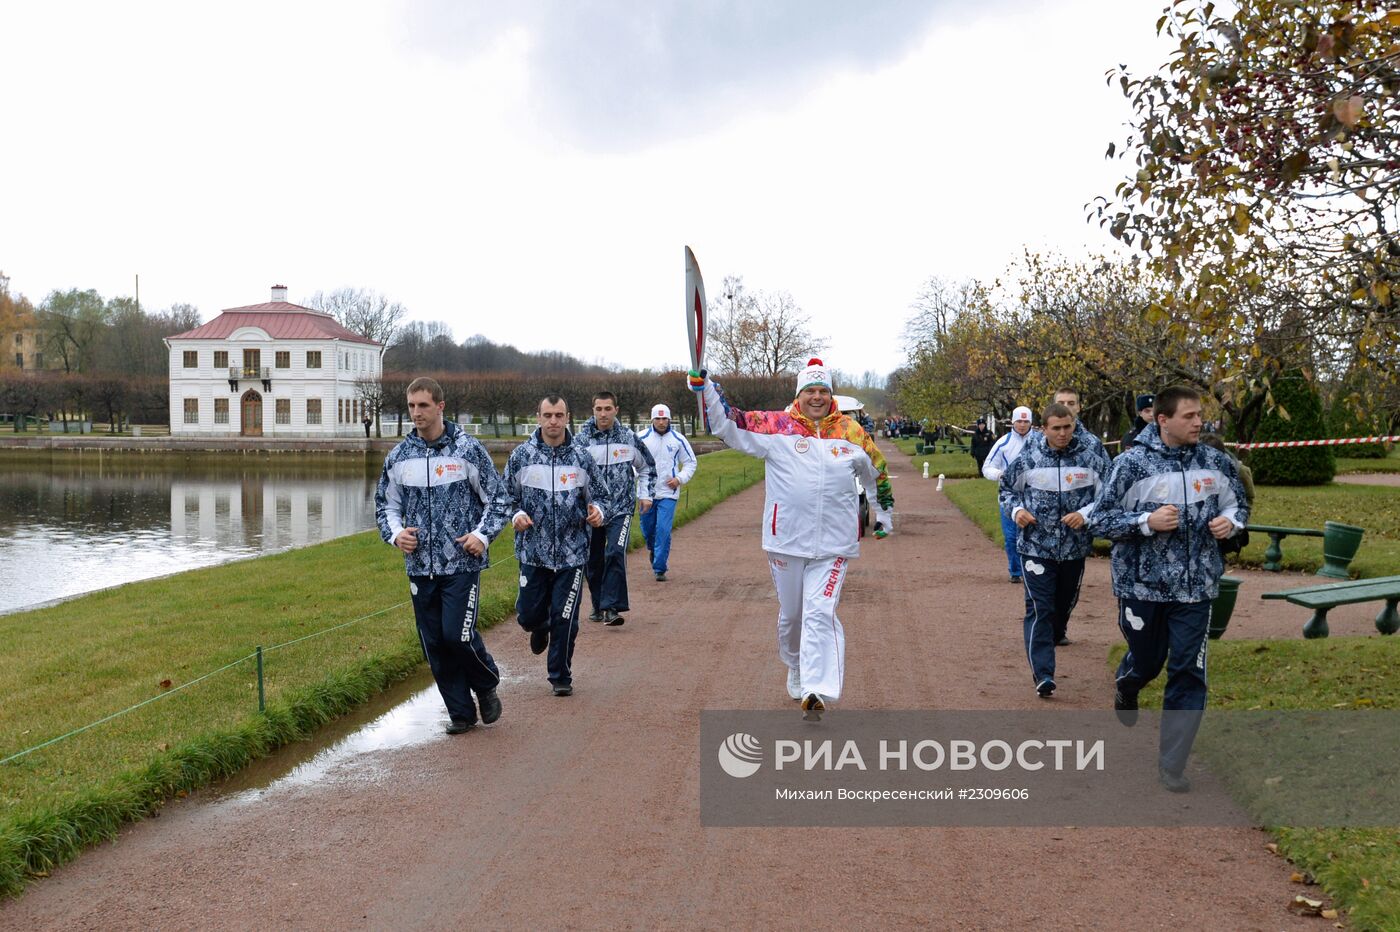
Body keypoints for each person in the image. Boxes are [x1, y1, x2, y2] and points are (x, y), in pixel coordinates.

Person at [689, 358, 893, 719]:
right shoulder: (776, 427)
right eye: (810, 391)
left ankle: (817, 688)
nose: (817, 397)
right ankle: (796, 664)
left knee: (821, 612)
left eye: (823, 391)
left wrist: (884, 515)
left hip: (835, 545)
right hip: (785, 540)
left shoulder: (851, 433)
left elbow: (877, 472)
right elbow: (729, 423)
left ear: (831, 395)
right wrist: (706, 389)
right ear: (799, 394)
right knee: (794, 615)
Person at [1088, 385, 1249, 793]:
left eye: (1200, 415)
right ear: (1163, 420)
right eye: (1189, 416)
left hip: (1197, 588)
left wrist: (1232, 522)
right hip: (1142, 586)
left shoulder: (1216, 461)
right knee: (1149, 661)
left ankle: (1172, 764)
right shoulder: (1130, 465)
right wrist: (1145, 523)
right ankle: (1129, 681)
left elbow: (1238, 503)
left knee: (1188, 670)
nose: (1199, 422)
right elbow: (1100, 520)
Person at [374, 377, 507, 734]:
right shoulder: (399, 456)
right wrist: (396, 535)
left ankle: (486, 682)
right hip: (419, 567)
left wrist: (482, 536)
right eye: (412, 406)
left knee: (457, 635)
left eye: (423, 406)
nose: (416, 413)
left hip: (462, 562)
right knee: (433, 643)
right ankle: (461, 714)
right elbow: (386, 506)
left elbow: (498, 500)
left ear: (440, 407)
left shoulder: (467, 450)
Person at [490, 395, 608, 696]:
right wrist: (516, 515)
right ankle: (538, 626)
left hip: (572, 552)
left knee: (565, 615)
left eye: (558, 415)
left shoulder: (582, 457)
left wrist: (598, 511)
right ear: (538, 416)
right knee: (528, 615)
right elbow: (505, 498)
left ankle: (560, 675)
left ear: (567, 417)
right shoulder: (522, 456)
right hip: (533, 551)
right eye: (547, 415)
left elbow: (602, 496)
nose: (553, 421)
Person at [998, 403, 1112, 697]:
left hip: (1074, 548)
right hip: (1036, 546)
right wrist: (1017, 510)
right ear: (1044, 429)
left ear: (1074, 425)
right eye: (1056, 428)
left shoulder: (1091, 455)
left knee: (1061, 608)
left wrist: (1085, 515)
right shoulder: (1030, 456)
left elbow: (1110, 494)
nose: (1062, 434)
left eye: (1067, 427)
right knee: (1039, 608)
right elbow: (1006, 490)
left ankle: (1058, 631)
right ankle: (1043, 674)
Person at [576, 391, 656, 625]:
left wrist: (645, 495)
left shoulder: (628, 437)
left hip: (621, 508)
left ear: (616, 410)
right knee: (594, 558)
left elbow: (647, 467)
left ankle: (612, 607)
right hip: (591, 512)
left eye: (607, 409)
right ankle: (598, 604)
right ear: (593, 410)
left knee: (615, 552)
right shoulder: (581, 441)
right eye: (599, 409)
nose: (603, 413)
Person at [637, 403, 697, 581]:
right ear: (652, 419)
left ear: (669, 419)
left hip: (669, 493)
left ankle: (660, 568)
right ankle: (653, 549)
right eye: (658, 418)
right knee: (648, 530)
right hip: (646, 493)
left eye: (664, 418)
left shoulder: (678, 439)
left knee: (663, 529)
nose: (661, 422)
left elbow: (691, 462)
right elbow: (632, 462)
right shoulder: (641, 438)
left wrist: (679, 478)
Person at [982, 406, 1035, 582]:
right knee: (1011, 537)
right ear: (1012, 422)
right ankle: (1015, 571)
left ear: (1031, 422)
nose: (1022, 425)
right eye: (1019, 421)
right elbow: (987, 467)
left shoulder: (1040, 441)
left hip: (1035, 497)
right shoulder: (1003, 443)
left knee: (1034, 536)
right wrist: (1000, 474)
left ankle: (1033, 571)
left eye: (1026, 421)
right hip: (1009, 497)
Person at [1052, 387, 1108, 458]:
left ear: (1078, 407)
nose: (1065, 407)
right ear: (1053, 407)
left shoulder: (1093, 444)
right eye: (1061, 403)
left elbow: (1105, 468)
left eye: (1071, 403)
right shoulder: (1040, 443)